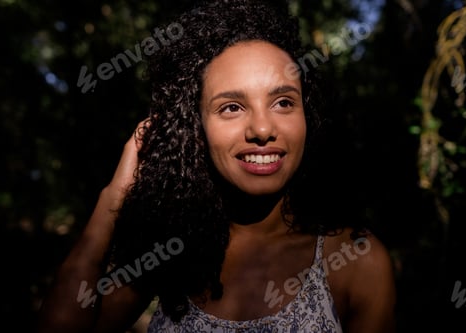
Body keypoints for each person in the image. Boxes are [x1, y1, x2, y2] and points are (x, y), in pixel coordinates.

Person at [36, 0, 396, 332]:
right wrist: (113, 197)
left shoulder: (355, 260)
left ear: (308, 116)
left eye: (283, 102)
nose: (262, 129)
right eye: (231, 107)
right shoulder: (172, 251)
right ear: (197, 128)